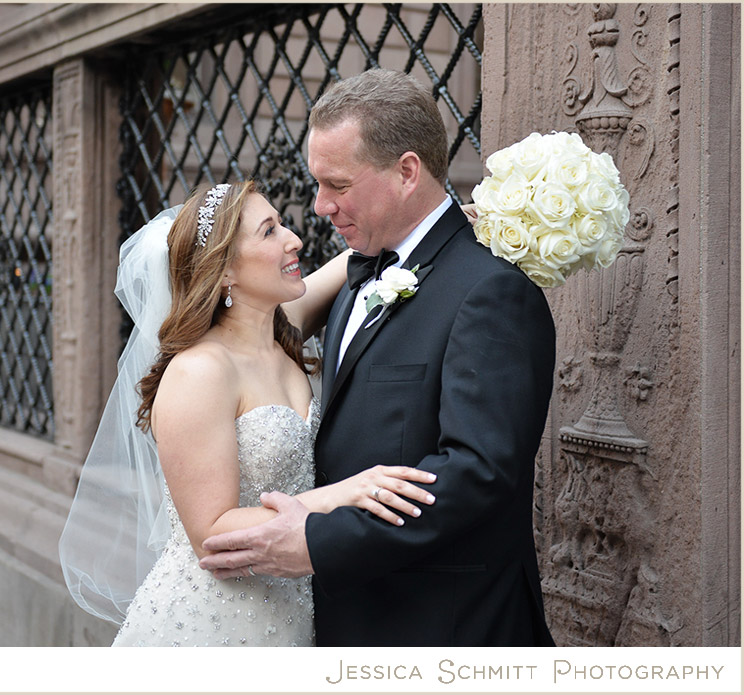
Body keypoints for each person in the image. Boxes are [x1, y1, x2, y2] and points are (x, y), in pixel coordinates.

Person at [199, 68, 557, 647]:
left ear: (407, 172)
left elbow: (477, 474)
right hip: (340, 622)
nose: (320, 206)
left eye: (337, 184)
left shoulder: (491, 291)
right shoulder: (356, 277)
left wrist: (319, 542)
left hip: (441, 630)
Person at [59, 180, 438, 646]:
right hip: (211, 625)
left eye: (282, 224)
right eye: (269, 231)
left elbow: (354, 259)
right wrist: (346, 494)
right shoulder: (201, 371)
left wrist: (444, 217)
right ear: (224, 271)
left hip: (291, 612)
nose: (294, 239)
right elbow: (210, 532)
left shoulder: (282, 331)